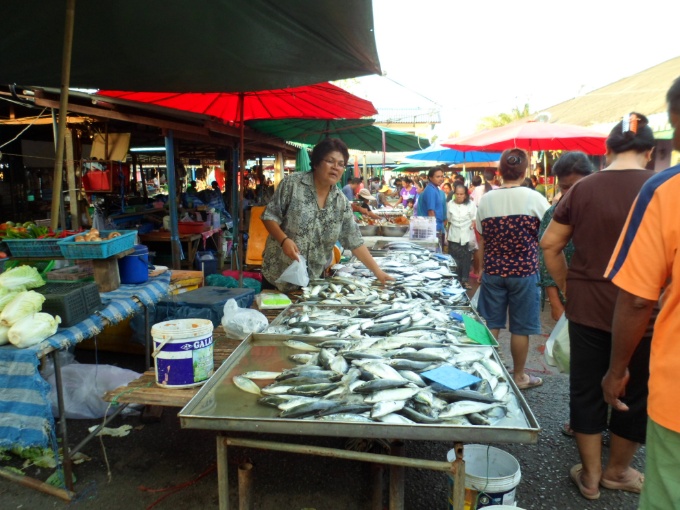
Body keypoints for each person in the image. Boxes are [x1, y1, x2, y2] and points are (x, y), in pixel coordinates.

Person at [541, 113, 656, 500]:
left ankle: (590, 477)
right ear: (651, 152)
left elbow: (550, 245)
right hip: (649, 315)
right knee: (636, 393)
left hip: (588, 308)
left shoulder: (583, 189)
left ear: (605, 151)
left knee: (586, 389)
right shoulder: (665, 190)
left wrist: (567, 284)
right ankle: (618, 471)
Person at [602, 79, 680, 510]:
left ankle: (598, 474)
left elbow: (635, 298)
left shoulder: (666, 191)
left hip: (669, 374)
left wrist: (616, 370)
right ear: (648, 149)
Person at [261, 138, 393, 291]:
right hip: (277, 274)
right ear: (316, 163)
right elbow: (269, 216)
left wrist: (378, 272)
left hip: (311, 280)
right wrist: (284, 240)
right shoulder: (292, 184)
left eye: (341, 164)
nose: (336, 168)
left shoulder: (341, 202)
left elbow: (354, 241)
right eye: (330, 161)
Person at [476, 149, 550, 389]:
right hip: (525, 272)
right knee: (521, 328)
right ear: (524, 170)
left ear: (500, 172)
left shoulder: (486, 199)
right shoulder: (535, 198)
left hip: (494, 271)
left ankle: (483, 373)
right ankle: (519, 376)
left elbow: (481, 236)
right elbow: (548, 233)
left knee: (491, 324)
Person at [538, 152, 594, 321]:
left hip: (595, 296)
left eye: (576, 186)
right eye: (564, 187)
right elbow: (545, 261)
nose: (570, 192)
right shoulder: (553, 214)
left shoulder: (598, 210)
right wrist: (556, 302)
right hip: (567, 297)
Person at [446, 183, 476, 288]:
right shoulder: (450, 204)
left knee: (466, 259)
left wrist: (473, 224)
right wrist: (447, 234)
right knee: (454, 259)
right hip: (453, 235)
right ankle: (455, 280)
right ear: (454, 194)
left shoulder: (471, 204)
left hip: (467, 235)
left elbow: (474, 219)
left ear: (465, 195)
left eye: (461, 194)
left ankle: (465, 280)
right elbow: (449, 220)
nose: (459, 196)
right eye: (457, 194)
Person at [417, 167, 446, 248]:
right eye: (438, 177)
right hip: (433, 229)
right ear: (430, 178)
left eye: (442, 176)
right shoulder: (430, 190)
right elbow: (431, 212)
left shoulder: (435, 188)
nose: (441, 179)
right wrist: (434, 231)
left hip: (436, 227)